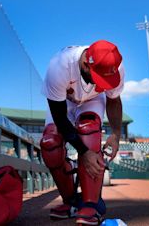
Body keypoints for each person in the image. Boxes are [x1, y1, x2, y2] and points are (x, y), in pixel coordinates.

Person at [40, 40, 124, 225]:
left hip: (92, 100)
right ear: (86, 63)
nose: (102, 82)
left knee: (90, 132)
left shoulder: (114, 65)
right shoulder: (59, 66)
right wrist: (84, 153)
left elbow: (114, 100)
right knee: (50, 144)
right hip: (64, 102)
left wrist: (116, 135)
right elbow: (61, 119)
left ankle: (90, 205)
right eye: (98, 76)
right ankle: (70, 202)